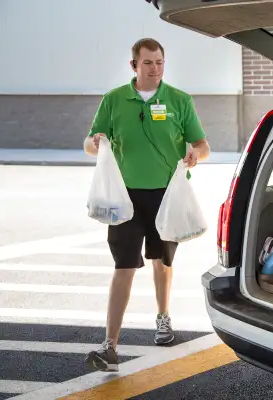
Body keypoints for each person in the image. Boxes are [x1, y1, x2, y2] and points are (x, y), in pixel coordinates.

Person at [82, 38, 210, 372]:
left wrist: (196, 154)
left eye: (159, 62)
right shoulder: (114, 100)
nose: (154, 69)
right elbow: (89, 142)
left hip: (166, 196)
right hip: (124, 198)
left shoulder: (179, 100)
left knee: (161, 261)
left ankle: (163, 319)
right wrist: (94, 143)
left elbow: (202, 144)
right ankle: (110, 344)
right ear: (134, 66)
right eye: (148, 63)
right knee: (123, 265)